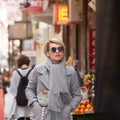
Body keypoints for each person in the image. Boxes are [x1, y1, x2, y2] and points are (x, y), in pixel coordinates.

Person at [25, 37, 82, 120]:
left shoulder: (71, 72)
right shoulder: (38, 70)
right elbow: (29, 90)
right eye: (53, 49)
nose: (57, 51)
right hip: (42, 115)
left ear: (63, 52)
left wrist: (69, 108)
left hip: (63, 115)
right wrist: (35, 104)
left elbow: (77, 95)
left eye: (60, 49)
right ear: (47, 53)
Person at [9, 54, 33, 120]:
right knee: (29, 117)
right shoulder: (32, 72)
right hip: (30, 101)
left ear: (19, 63)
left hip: (19, 102)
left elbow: (12, 89)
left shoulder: (15, 73)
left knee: (20, 116)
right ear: (28, 62)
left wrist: (18, 96)